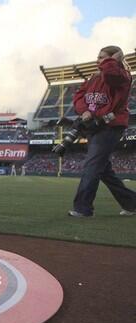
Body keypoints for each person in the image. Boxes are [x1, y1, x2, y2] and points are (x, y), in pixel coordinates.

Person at [67, 46, 136, 217]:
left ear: (114, 60)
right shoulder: (93, 78)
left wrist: (114, 61)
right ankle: (132, 203)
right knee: (103, 170)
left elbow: (112, 75)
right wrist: (84, 111)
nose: (98, 60)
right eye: (98, 57)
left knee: (92, 166)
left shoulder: (122, 76)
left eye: (103, 58)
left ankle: (83, 208)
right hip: (93, 125)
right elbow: (79, 97)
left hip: (110, 126)